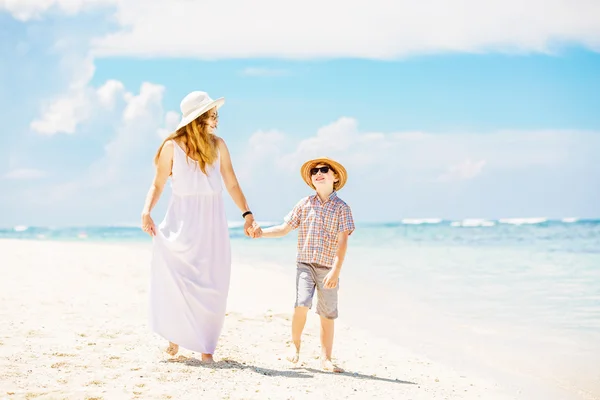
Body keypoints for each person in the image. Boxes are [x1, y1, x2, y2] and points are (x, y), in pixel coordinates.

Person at [140, 90, 261, 362]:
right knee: (180, 280)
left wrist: (247, 213)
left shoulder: (219, 146)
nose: (217, 119)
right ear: (199, 118)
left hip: (212, 223)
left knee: (213, 283)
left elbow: (231, 182)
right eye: (212, 114)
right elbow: (158, 183)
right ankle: (176, 335)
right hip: (182, 221)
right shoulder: (172, 147)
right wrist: (147, 211)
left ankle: (207, 347)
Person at [252, 157, 354, 372]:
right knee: (301, 303)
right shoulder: (304, 203)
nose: (318, 173)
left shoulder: (342, 208)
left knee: (327, 313)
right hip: (305, 264)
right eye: (314, 171)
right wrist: (261, 232)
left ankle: (326, 358)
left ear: (335, 177)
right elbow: (284, 229)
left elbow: (343, 242)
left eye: (324, 169)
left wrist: (336, 270)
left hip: (328, 268)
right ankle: (295, 346)